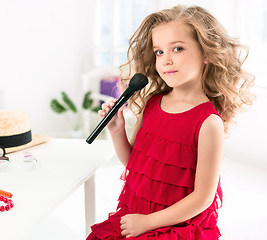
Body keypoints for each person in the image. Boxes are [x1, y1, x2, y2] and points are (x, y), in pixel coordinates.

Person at [87, 5, 254, 240]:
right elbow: (135, 164)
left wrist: (148, 223)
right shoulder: (153, 104)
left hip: (176, 226)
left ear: (206, 53)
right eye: (159, 52)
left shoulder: (208, 123)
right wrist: (117, 131)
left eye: (177, 48)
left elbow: (203, 198)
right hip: (137, 214)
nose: (166, 60)